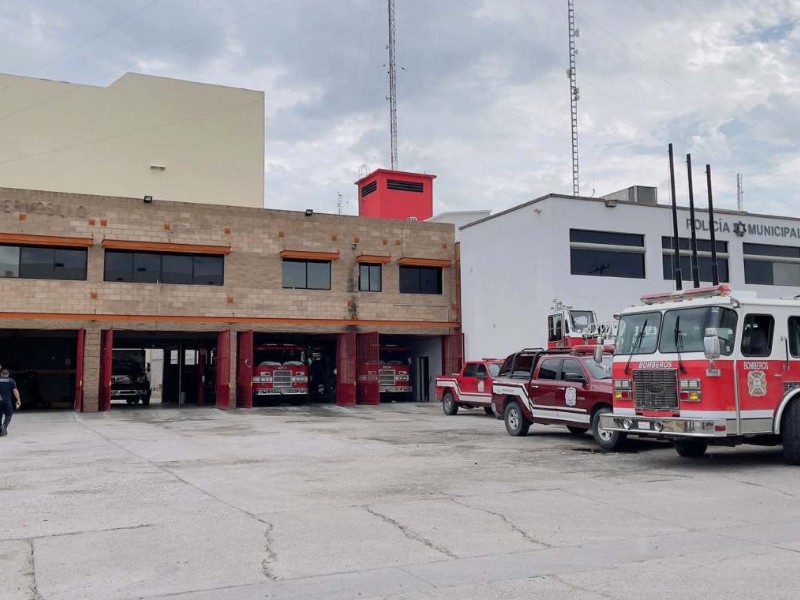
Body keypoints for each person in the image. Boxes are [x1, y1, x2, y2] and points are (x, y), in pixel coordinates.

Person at [0, 368, 21, 436]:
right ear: (8, 374)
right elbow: (15, 391)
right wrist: (18, 400)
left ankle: (1, 429)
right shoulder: (11, 381)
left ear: (1, 374)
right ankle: (4, 427)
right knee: (8, 415)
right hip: (7, 401)